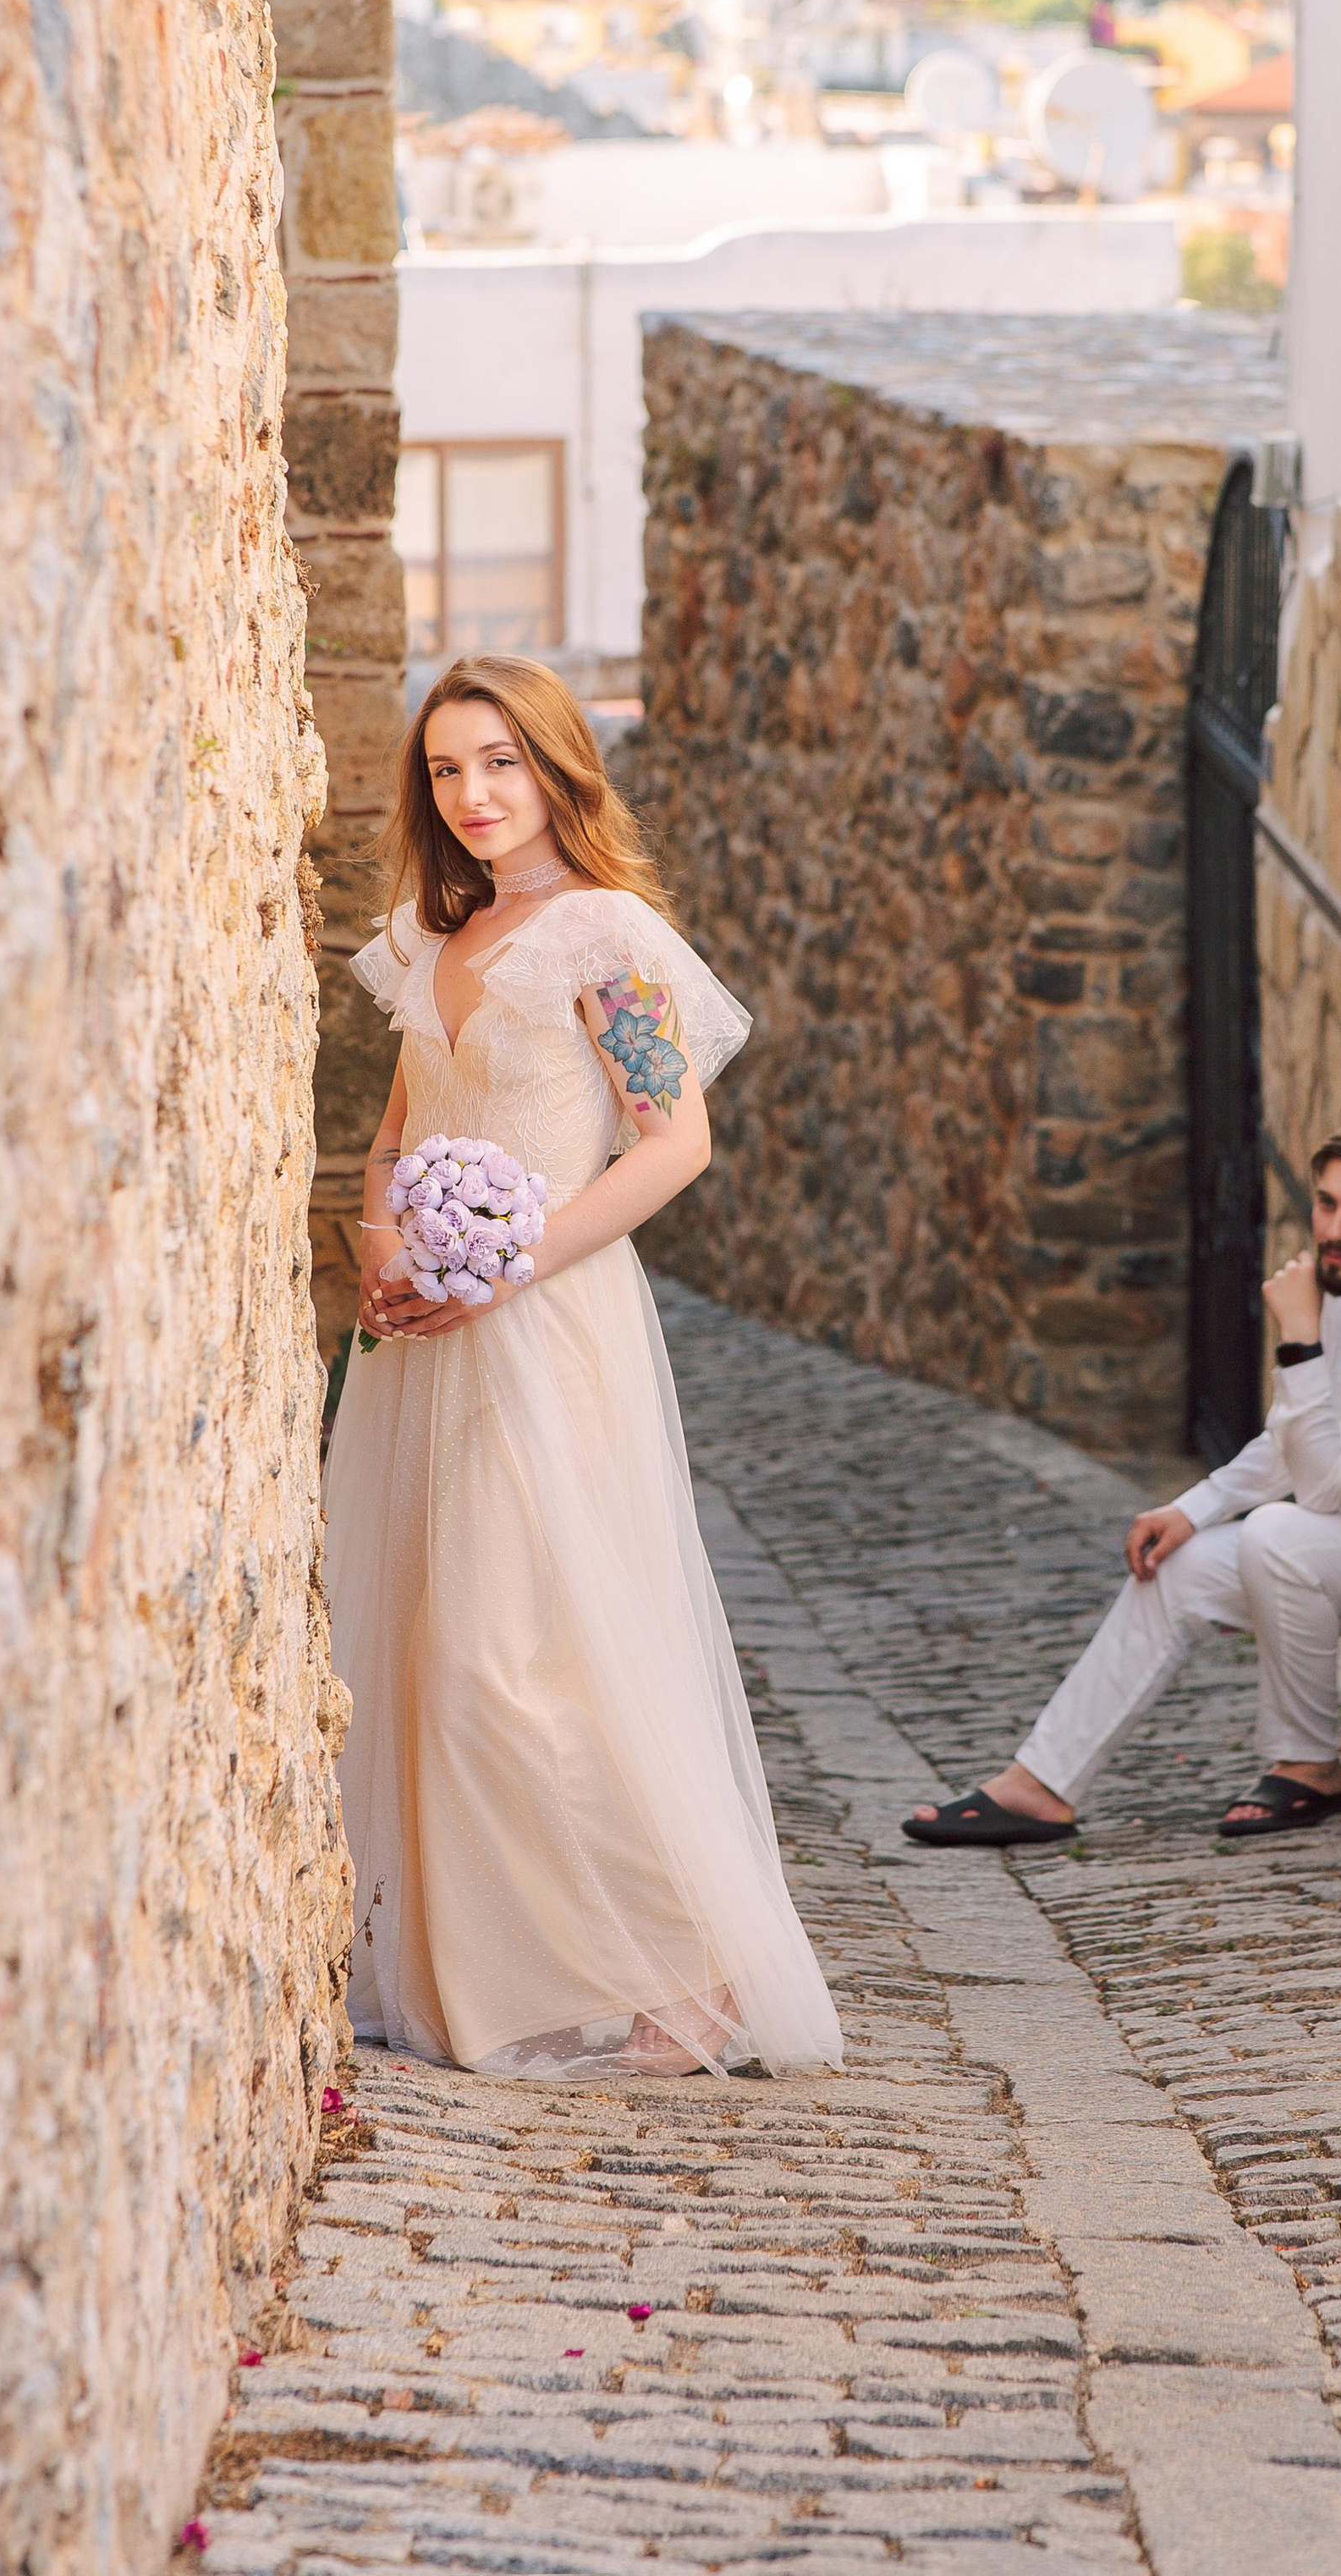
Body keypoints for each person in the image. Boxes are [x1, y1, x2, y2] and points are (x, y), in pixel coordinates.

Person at [323, 653, 842, 2079]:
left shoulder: (606, 938)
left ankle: (699, 1965)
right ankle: (450, 1975)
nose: (474, 795)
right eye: (446, 771)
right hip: (423, 1342)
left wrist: (506, 1261)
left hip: (547, 1327)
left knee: (511, 1657)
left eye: (499, 763)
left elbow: (675, 1143)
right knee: (427, 1653)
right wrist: (384, 1245)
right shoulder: (430, 944)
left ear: (555, 770)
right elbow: (391, 1135)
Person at [904, 1120, 1341, 1847]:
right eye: (1327, 1204)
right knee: (1179, 1566)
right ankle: (1039, 1787)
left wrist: (1298, 1342)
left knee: (1280, 1534)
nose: (1335, 1230)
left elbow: (1322, 1491)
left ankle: (1310, 1768)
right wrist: (1193, 1509)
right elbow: (1301, 1437)